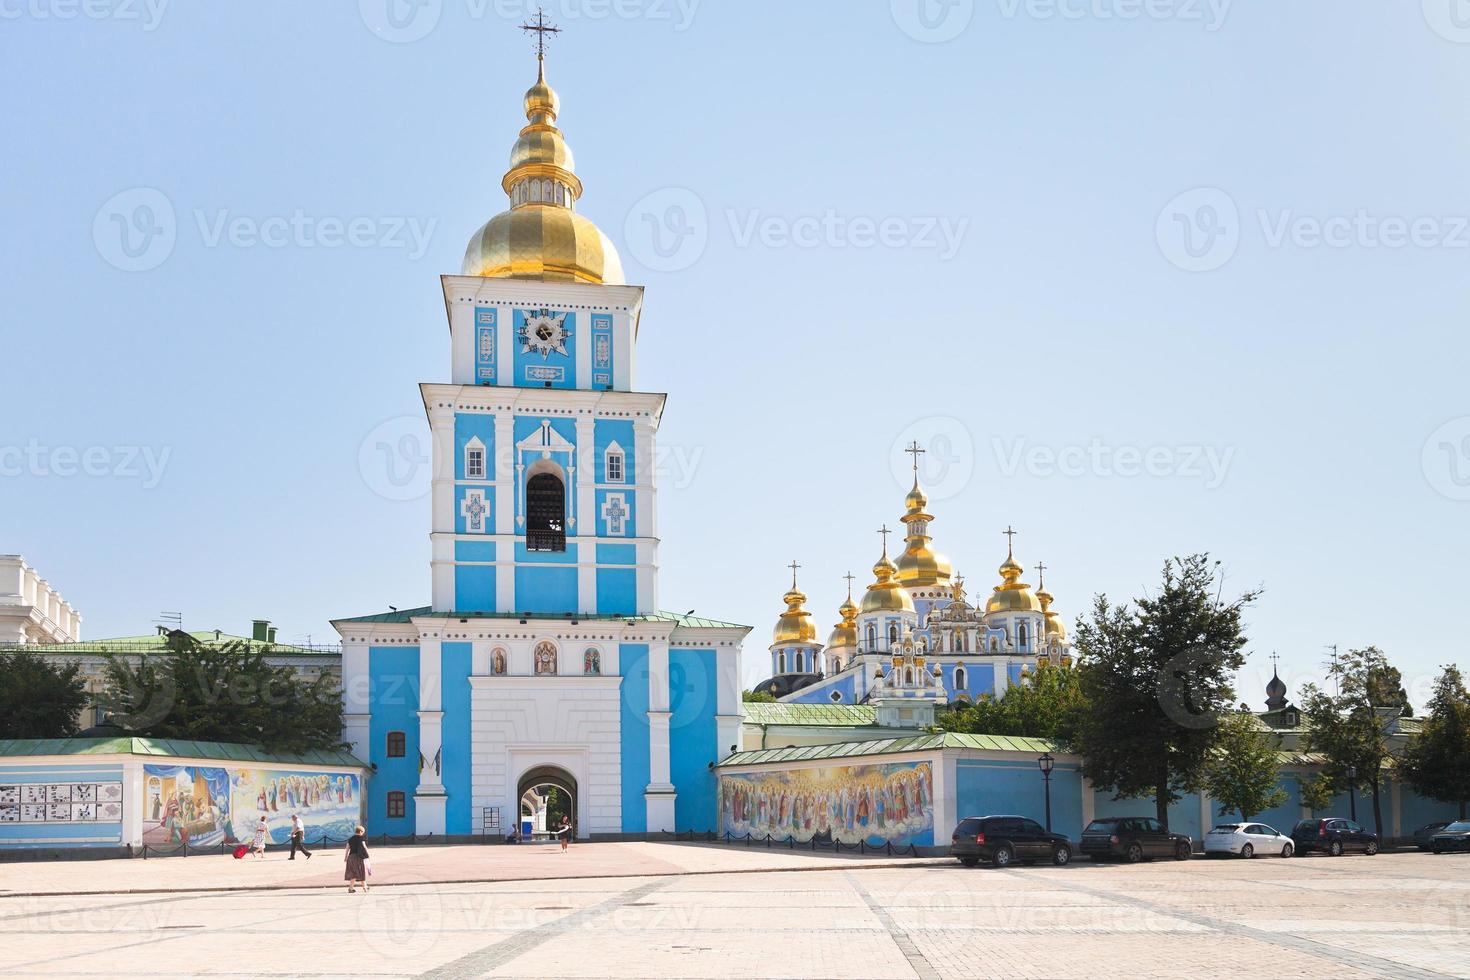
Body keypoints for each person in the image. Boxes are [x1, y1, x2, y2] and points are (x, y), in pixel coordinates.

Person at [344, 824, 370, 893]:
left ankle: (353, 888)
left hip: (351, 857)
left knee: (354, 872)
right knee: (360, 871)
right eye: (363, 832)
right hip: (358, 857)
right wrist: (368, 855)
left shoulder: (350, 839)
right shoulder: (361, 838)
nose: (363, 834)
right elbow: (364, 847)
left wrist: (345, 857)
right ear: (361, 831)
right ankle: (364, 887)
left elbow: (347, 849)